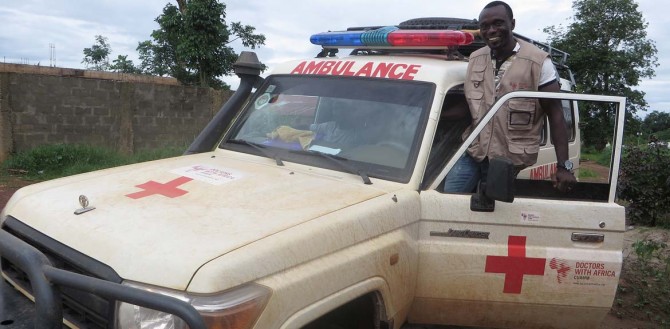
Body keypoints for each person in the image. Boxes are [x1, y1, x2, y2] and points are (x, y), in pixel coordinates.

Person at [443, 0, 576, 193]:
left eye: (498, 23)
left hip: (509, 158)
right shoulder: (475, 59)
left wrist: (564, 166)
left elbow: (555, 114)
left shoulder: (538, 62)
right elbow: (469, 105)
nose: (491, 30)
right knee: (449, 201)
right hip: (474, 151)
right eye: (485, 26)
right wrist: (430, 115)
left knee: (492, 208)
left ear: (512, 24)